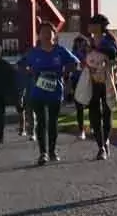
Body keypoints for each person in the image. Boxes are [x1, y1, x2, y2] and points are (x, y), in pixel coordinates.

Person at [20, 23, 78, 165]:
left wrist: (65, 73)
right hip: (37, 92)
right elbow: (20, 64)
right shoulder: (34, 53)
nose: (46, 35)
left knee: (52, 123)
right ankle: (43, 153)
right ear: (38, 35)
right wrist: (30, 72)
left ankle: (52, 151)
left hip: (55, 91)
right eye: (43, 32)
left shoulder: (60, 51)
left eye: (49, 32)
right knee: (41, 122)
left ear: (54, 35)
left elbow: (75, 63)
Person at [79, 14, 117, 160]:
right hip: (92, 82)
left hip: (106, 82)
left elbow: (115, 58)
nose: (89, 26)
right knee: (94, 114)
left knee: (107, 112)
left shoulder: (109, 41)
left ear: (99, 26)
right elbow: (82, 59)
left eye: (92, 24)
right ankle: (101, 146)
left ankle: (106, 140)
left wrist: (100, 56)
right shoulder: (88, 42)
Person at [68, 29, 92, 141]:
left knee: (92, 104)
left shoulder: (89, 53)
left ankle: (92, 126)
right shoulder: (72, 54)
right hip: (77, 81)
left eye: (82, 43)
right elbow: (70, 68)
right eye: (78, 43)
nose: (80, 45)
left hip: (88, 81)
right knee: (79, 107)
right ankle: (81, 130)